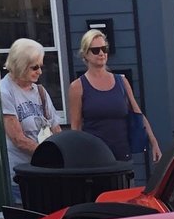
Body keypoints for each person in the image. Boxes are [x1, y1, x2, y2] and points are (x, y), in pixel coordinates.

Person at [65, 32, 160, 164]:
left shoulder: (121, 81)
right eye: (95, 50)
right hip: (94, 157)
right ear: (85, 54)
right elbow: (76, 126)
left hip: (122, 155)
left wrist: (154, 143)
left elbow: (138, 115)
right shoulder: (77, 86)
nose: (101, 53)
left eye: (104, 49)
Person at [0, 38, 62, 190]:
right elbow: (18, 139)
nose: (40, 72)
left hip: (46, 171)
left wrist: (62, 150)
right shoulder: (4, 91)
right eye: (34, 67)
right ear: (21, 64)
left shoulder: (40, 91)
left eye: (40, 66)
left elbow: (55, 128)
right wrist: (48, 155)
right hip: (21, 174)